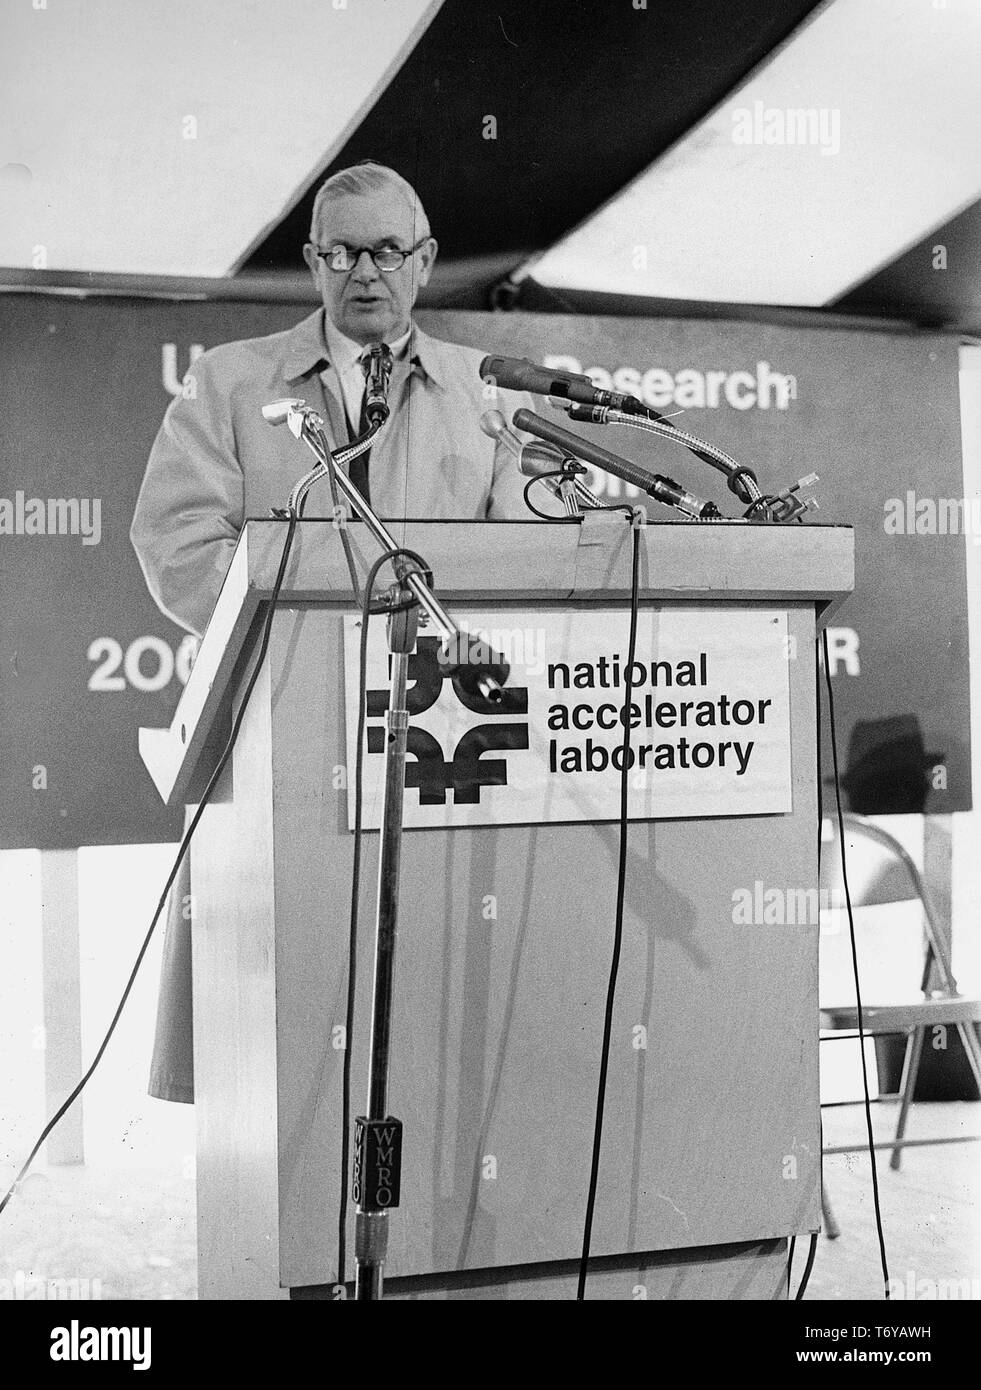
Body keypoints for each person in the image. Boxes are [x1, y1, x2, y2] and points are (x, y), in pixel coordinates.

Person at [131, 162, 537, 1102]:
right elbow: (178, 544)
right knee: (273, 1045)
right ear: (314, 261)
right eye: (344, 251)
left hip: (437, 743)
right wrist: (316, 649)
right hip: (278, 728)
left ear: (425, 261)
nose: (367, 271)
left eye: (389, 250)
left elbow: (522, 562)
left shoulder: (485, 395)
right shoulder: (229, 384)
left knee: (423, 1031)